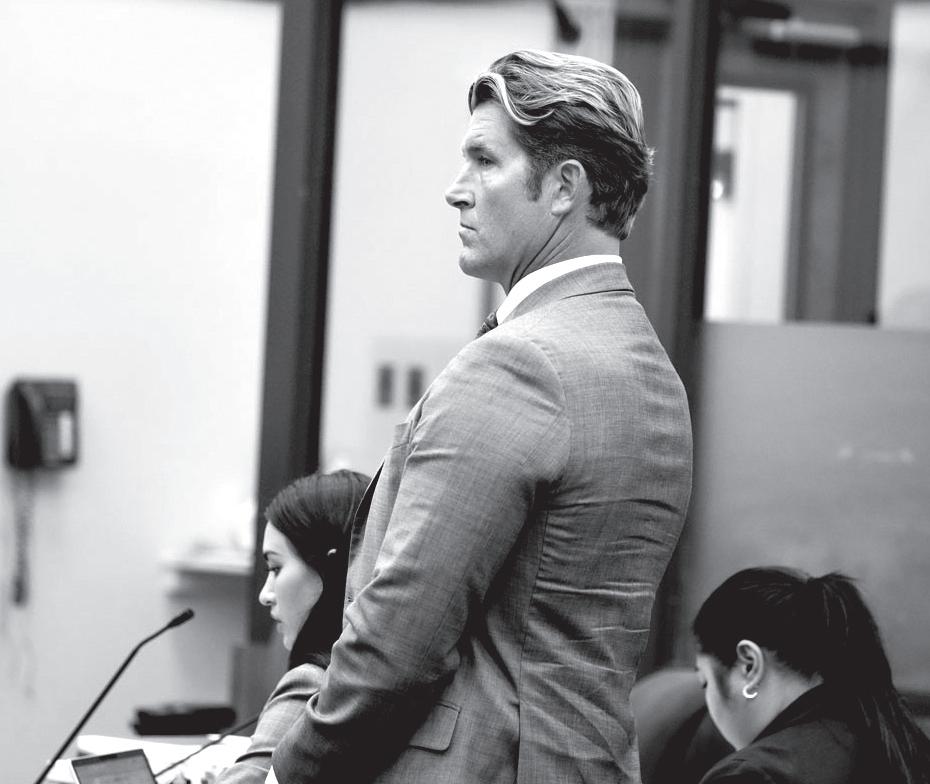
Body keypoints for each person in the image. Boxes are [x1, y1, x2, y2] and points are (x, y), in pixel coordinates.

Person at [271, 49, 693, 784]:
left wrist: (290, 770)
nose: (454, 190)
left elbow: (400, 641)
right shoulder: (652, 369)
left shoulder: (521, 362)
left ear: (564, 187)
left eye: (484, 160)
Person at [692, 566, 930, 784]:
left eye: (705, 682)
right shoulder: (903, 746)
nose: (709, 704)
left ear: (749, 666)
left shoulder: (749, 775)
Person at [211, 470, 370, 784]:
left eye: (276, 567)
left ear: (331, 568)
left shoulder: (314, 683)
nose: (265, 595)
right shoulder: (377, 679)